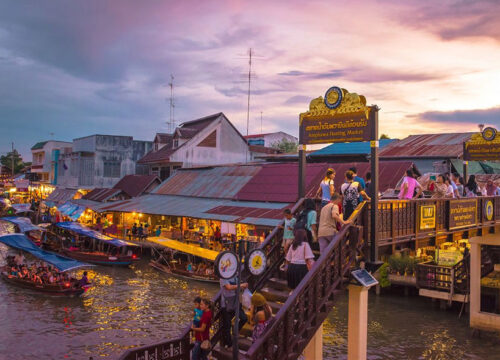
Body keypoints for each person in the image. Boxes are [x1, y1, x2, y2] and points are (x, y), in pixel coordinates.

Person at [219, 275, 248, 348]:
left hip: (236, 301)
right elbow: (228, 287)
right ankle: (229, 344)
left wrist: (243, 285)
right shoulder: (223, 276)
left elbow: (238, 284)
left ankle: (236, 331)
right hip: (226, 304)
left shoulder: (235, 275)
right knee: (227, 325)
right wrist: (240, 285)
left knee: (244, 318)